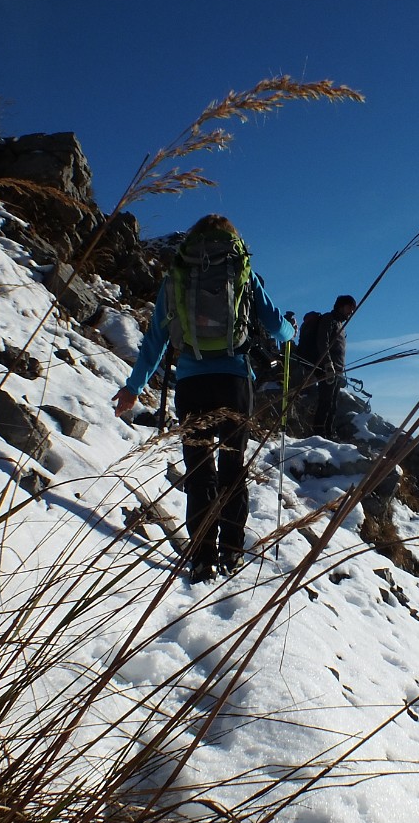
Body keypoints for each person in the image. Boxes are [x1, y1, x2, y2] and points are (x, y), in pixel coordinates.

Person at [113, 215, 295, 582]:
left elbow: (155, 340)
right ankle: (230, 553)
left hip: (192, 383)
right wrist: (290, 328)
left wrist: (133, 387)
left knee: (199, 473)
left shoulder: (177, 277)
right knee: (232, 469)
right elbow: (277, 327)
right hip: (234, 381)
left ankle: (200, 557)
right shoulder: (242, 272)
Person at [313, 294, 357, 439]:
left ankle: (329, 432)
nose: (351, 312)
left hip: (337, 369)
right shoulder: (329, 319)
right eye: (349, 308)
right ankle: (320, 432)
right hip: (327, 369)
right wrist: (327, 363)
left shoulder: (340, 325)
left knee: (333, 403)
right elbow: (322, 342)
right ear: (341, 306)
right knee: (326, 401)